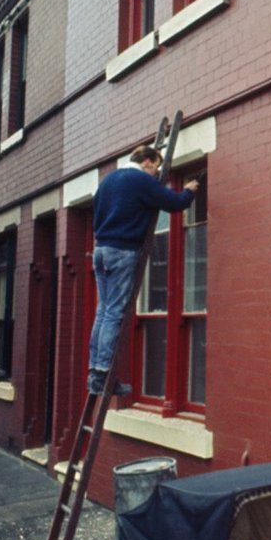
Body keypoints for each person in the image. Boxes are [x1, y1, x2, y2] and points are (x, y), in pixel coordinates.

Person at [87, 145, 199, 395]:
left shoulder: (108, 181)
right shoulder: (139, 179)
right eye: (156, 166)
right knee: (115, 312)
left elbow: (99, 212)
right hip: (122, 251)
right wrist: (189, 192)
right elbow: (173, 203)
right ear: (147, 161)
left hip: (101, 250)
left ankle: (95, 373)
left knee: (103, 311)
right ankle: (104, 376)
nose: (157, 171)